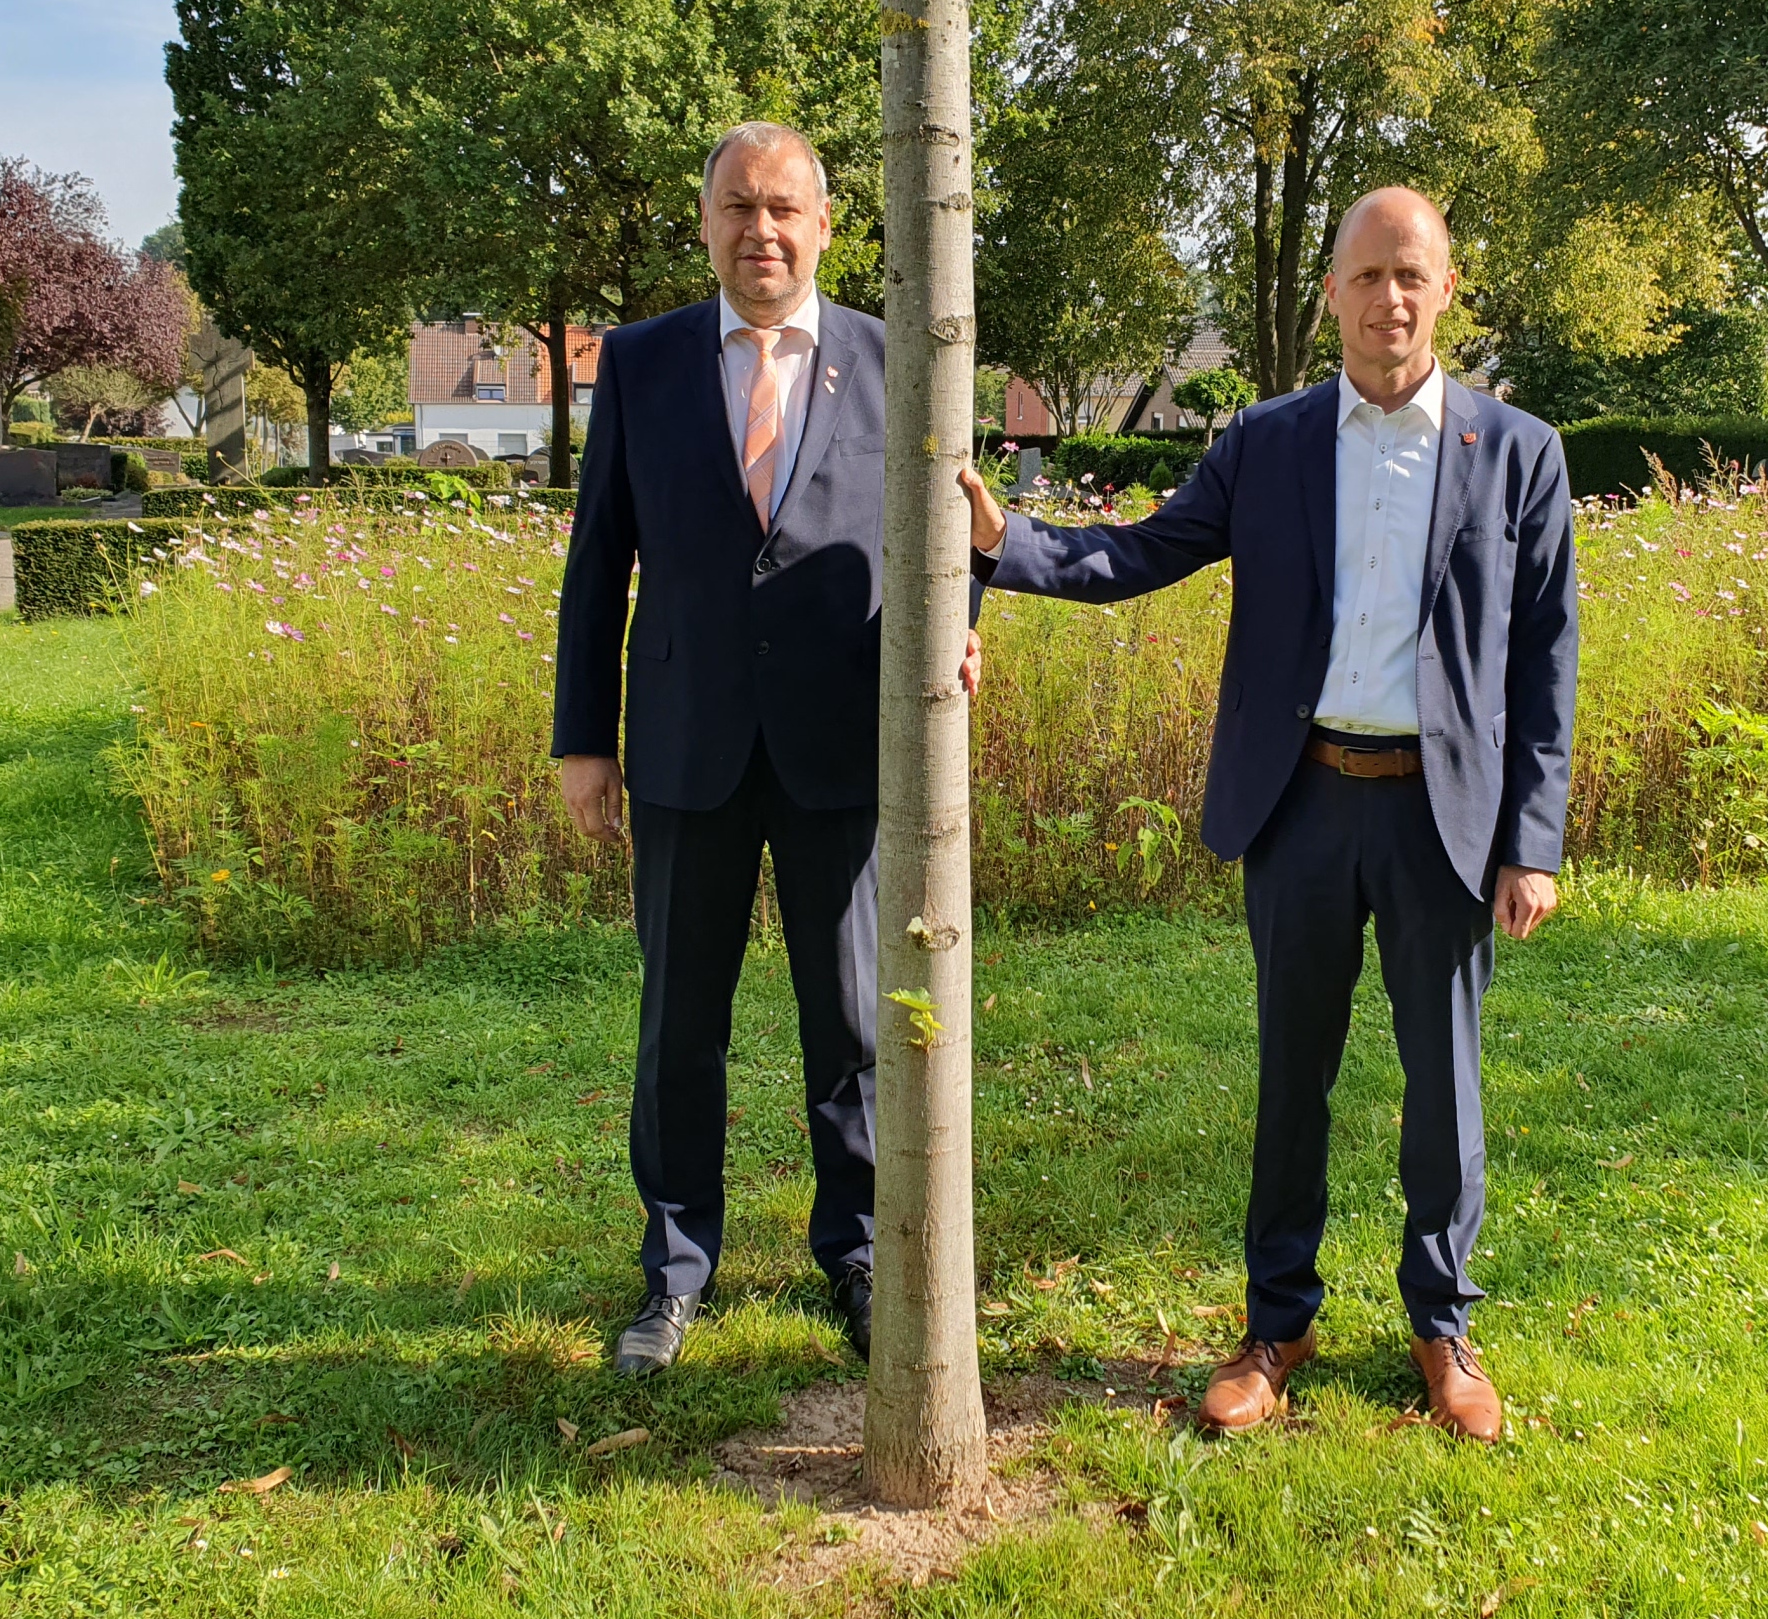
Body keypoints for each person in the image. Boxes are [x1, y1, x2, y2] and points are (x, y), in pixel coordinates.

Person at [958, 187, 1577, 1441]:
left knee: (1442, 1089)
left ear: (1446, 289)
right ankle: (1277, 1322)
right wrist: (1008, 541)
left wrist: (1532, 838)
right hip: (1299, 809)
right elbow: (1145, 552)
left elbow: (1545, 662)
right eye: (1365, 277)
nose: (1388, 300)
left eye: (1412, 276)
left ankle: (1441, 1326)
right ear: (1332, 294)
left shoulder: (1519, 452)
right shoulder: (1270, 441)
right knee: (1291, 1077)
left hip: (1442, 823)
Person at [554, 121, 982, 1376]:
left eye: (786, 208)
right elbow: (598, 568)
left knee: (847, 1022)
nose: (762, 230)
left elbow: (949, 528)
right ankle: (673, 1270)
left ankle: (853, 1258)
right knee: (679, 1026)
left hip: (841, 747)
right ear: (705, 222)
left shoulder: (897, 360)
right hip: (686, 747)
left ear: (827, 225)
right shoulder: (638, 365)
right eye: (739, 206)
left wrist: (958, 632)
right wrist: (585, 738)